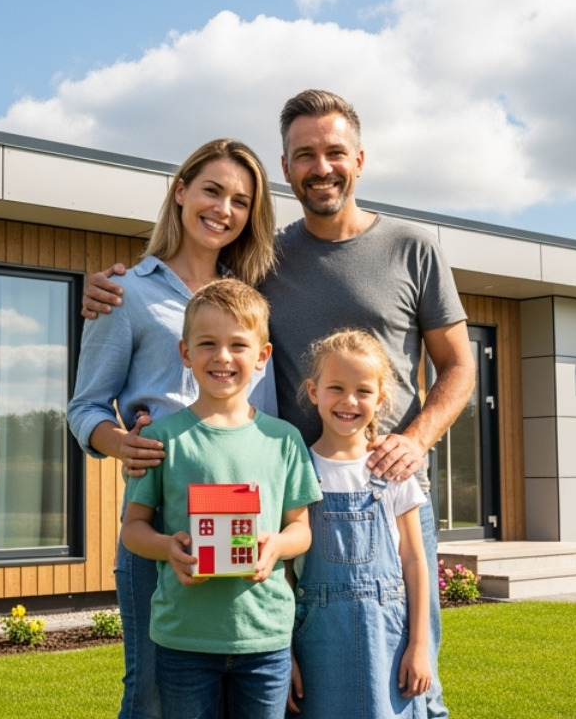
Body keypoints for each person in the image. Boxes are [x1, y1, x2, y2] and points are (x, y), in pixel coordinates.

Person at [86, 90, 476, 719]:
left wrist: (418, 438)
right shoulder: (263, 261)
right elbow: (198, 299)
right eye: (304, 155)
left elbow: (459, 365)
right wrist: (112, 289)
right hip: (291, 502)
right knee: (295, 686)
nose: (321, 167)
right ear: (287, 166)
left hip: (390, 497)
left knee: (407, 684)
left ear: (360, 158)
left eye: (334, 152)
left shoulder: (413, 247)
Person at [68, 138, 277, 719]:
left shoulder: (256, 300)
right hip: (158, 520)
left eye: (241, 200)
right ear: (180, 190)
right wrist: (121, 443)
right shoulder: (125, 293)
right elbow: (85, 406)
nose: (224, 209)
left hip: (246, 518)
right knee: (155, 694)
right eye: (212, 190)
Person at [122, 279, 322, 719]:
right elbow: (133, 530)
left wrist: (276, 546)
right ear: (186, 353)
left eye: (238, 345)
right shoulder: (162, 439)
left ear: (262, 356)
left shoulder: (283, 439)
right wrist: (166, 547)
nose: (223, 357)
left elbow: (301, 529)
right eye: (208, 343)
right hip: (183, 638)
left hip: (264, 636)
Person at [289, 329, 431, 719]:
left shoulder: (393, 469)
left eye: (363, 391)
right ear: (313, 391)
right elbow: (283, 576)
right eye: (336, 387)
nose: (349, 401)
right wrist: (286, 656)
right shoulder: (296, 468)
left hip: (388, 640)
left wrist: (420, 645)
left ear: (381, 399)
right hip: (316, 643)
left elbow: (415, 561)